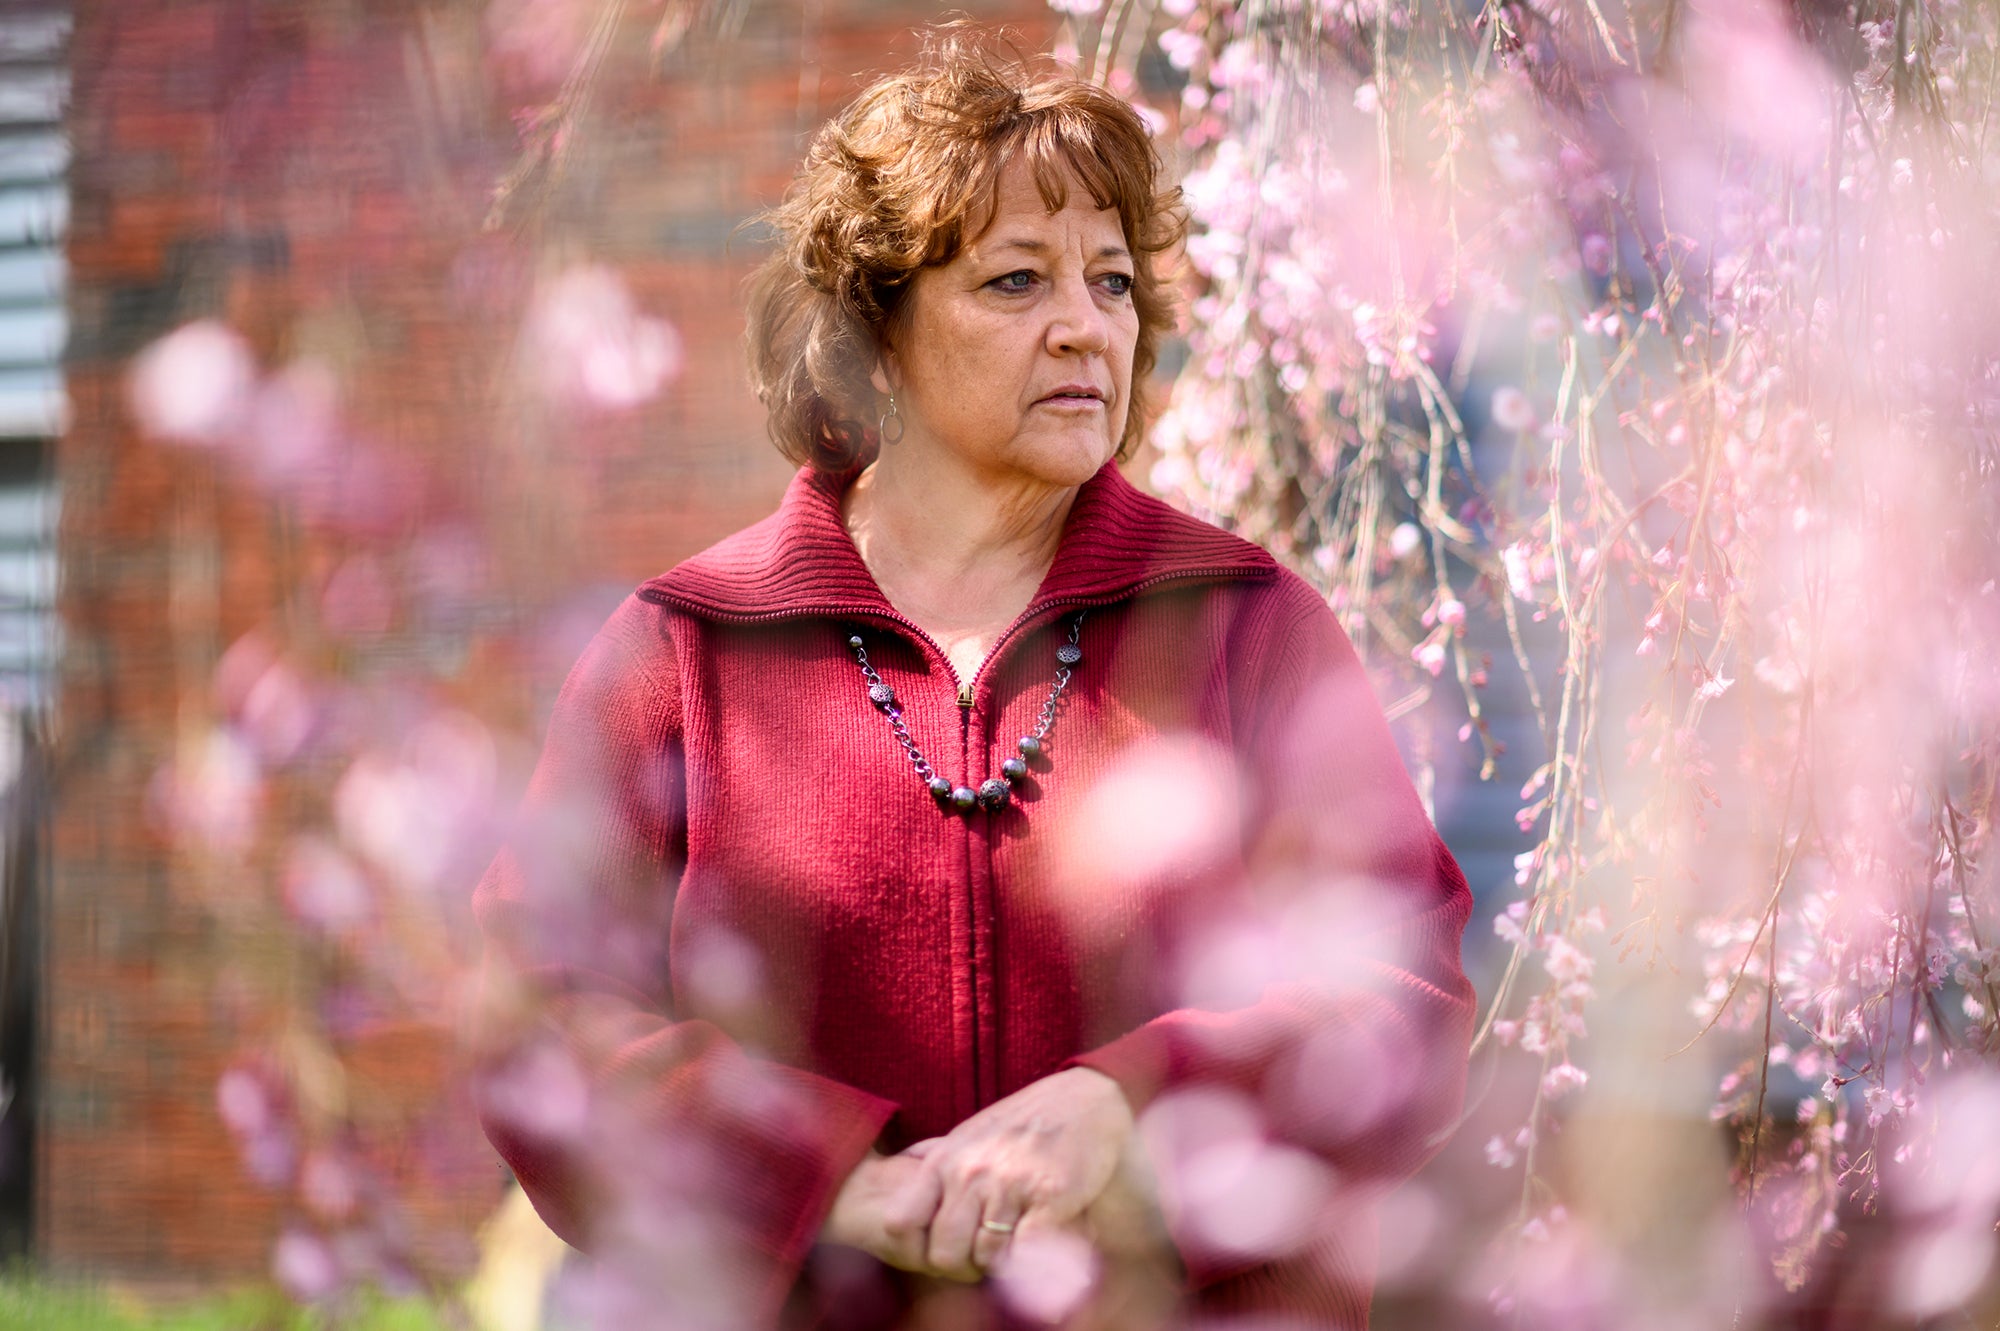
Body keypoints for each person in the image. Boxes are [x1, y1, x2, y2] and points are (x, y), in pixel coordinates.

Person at [472, 31, 1474, 1331]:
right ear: (871, 334)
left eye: (1112, 283)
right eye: (1015, 281)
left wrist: (1129, 1104)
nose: (1085, 327)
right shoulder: (688, 650)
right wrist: (829, 1182)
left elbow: (1405, 995)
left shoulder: (1245, 626)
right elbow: (539, 1016)